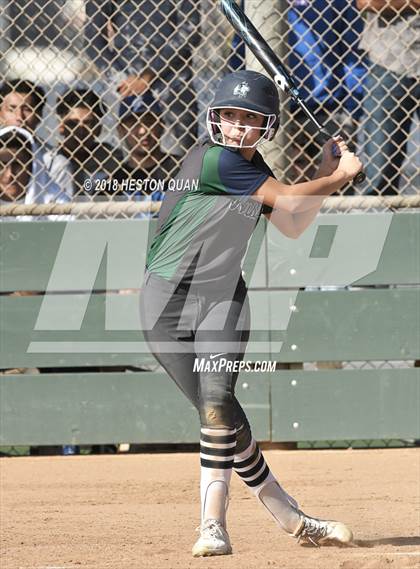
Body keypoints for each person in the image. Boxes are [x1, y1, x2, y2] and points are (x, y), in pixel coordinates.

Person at [139, 70, 362, 556]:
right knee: (218, 412)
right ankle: (291, 515)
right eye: (230, 116)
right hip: (166, 305)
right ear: (214, 117)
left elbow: (290, 222)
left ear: (267, 125)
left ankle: (213, 526)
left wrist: (324, 173)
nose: (238, 127)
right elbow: (287, 199)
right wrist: (339, 175)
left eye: (250, 119)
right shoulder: (214, 160)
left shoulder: (250, 166)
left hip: (222, 298)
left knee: (218, 406)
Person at [84, 0, 200, 156]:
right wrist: (121, 81)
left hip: (173, 84)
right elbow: (93, 41)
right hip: (126, 85)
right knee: (131, 164)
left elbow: (189, 31)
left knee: (181, 163)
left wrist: (147, 76)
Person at [286, 0, 366, 184]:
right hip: (278, 108)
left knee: (338, 181)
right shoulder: (255, 4)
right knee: (285, 180)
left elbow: (353, 57)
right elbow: (240, 53)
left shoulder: (337, 3)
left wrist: (353, 111)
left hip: (327, 107)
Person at [357, 0, 419, 194]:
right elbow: (367, 2)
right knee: (380, 171)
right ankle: (378, 221)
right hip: (390, 61)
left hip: (392, 60)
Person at [0, 79, 73, 203]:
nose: (19, 117)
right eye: (12, 109)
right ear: (1, 113)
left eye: (27, 109)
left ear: (39, 116)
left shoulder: (55, 163)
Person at [51, 87, 125, 198]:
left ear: (98, 129)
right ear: (61, 127)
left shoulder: (112, 160)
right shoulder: (49, 161)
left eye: (88, 123)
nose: (80, 130)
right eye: (73, 123)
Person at [117, 92, 179, 204]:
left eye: (149, 122)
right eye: (134, 124)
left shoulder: (183, 170)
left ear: (161, 126)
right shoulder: (114, 182)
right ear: (121, 130)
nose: (143, 131)